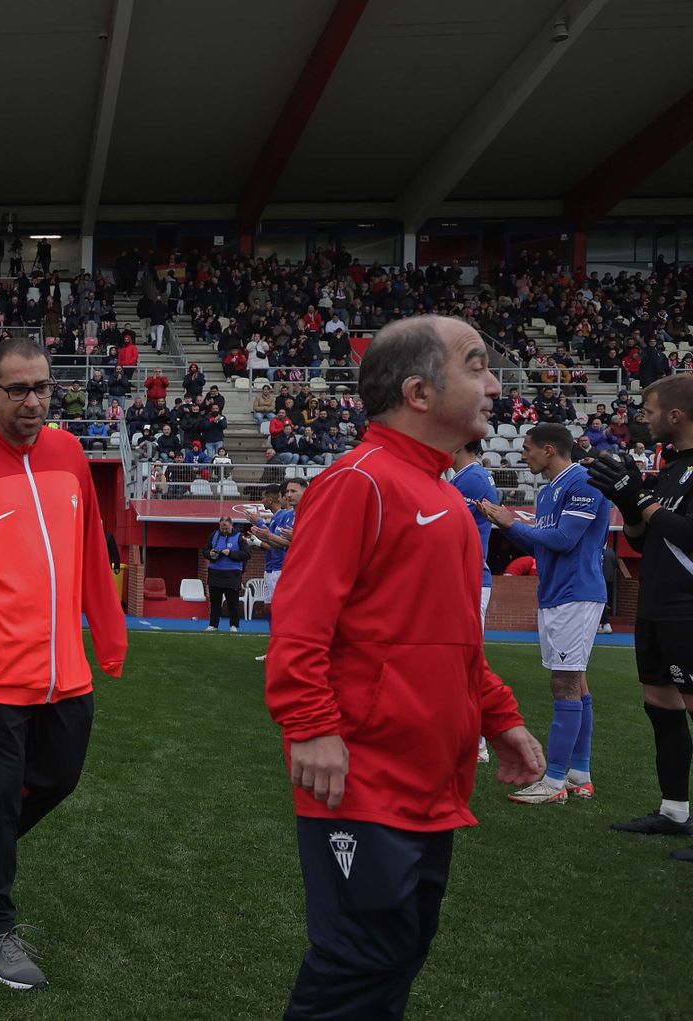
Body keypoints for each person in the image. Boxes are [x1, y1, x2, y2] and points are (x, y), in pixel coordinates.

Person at [267, 314, 544, 1021]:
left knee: (398, 954)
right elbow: (298, 626)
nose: (494, 384)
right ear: (419, 391)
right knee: (356, 966)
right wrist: (312, 726)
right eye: (477, 365)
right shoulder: (358, 482)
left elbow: (455, 645)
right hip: (362, 776)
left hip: (429, 777)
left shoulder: (447, 498)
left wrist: (501, 718)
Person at [0, 336, 127, 990]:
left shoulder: (69, 452)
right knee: (0, 795)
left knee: (59, 779)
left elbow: (93, 546)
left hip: (66, 669)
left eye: (42, 387)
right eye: (18, 389)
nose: (34, 401)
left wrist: (110, 629)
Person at [585, 374, 693, 855]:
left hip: (687, 608)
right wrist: (628, 503)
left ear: (676, 415)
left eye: (648, 411)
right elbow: (645, 537)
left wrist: (643, 499)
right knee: (660, 706)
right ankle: (674, 811)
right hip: (656, 607)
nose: (641, 420)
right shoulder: (672, 469)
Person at [478, 422, 609, 806]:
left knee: (564, 684)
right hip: (556, 593)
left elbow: (564, 540)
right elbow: (543, 548)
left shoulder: (582, 482)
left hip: (576, 593)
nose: (523, 456)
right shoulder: (550, 490)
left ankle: (553, 782)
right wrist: (502, 521)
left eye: (528, 449)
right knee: (576, 683)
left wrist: (513, 522)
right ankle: (579, 775)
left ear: (549, 450)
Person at [450, 437, 500, 763]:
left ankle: (478, 741)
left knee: (466, 661)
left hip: (469, 580)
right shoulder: (469, 476)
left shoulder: (472, 478)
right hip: (464, 579)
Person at [250, 479, 302, 662]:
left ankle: (284, 649)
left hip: (281, 568)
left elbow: (282, 544)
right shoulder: (283, 516)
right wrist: (260, 537)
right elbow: (274, 542)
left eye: (292, 492)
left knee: (282, 611)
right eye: (287, 492)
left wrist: (261, 532)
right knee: (270, 609)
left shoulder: (289, 516)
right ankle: (276, 647)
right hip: (272, 568)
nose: (288, 496)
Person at [204, 516, 249, 632]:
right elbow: (205, 551)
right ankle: (213, 625)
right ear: (219, 526)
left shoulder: (239, 537)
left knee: (232, 602)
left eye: (226, 529)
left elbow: (247, 554)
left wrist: (231, 553)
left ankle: (234, 626)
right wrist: (210, 554)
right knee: (215, 601)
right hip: (215, 573)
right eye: (222, 528)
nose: (224, 531)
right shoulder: (213, 535)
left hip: (232, 574)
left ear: (231, 525)